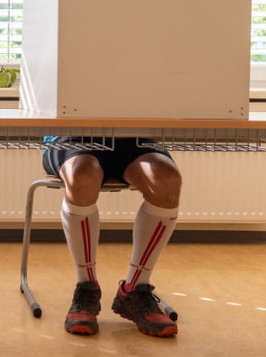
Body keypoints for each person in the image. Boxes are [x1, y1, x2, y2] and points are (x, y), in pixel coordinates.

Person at [43, 137, 181, 338]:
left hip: (136, 138)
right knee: (81, 177)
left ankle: (134, 290)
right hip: (72, 137)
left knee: (167, 181)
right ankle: (86, 287)